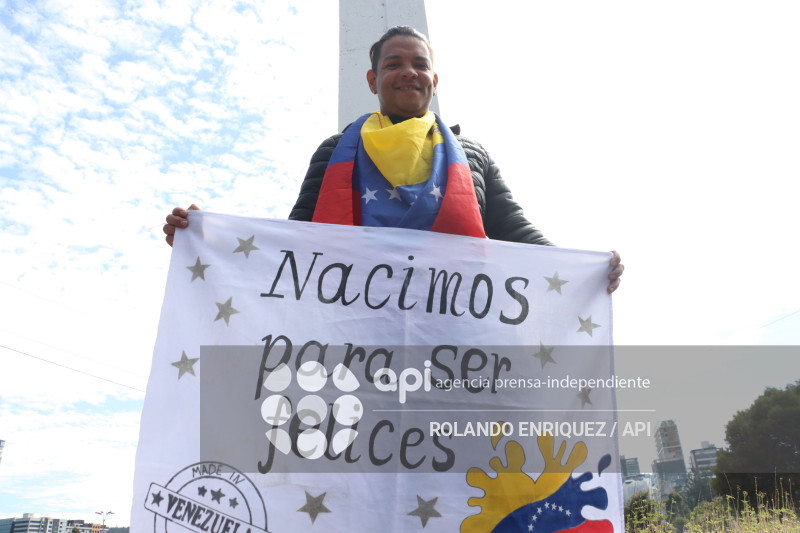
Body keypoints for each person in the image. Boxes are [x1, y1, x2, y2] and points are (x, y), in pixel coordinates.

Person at [164, 26, 623, 293]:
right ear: (372, 80)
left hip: (457, 324)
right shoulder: (334, 151)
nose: (409, 72)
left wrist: (581, 268)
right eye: (393, 64)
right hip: (355, 325)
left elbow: (513, 230)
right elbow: (295, 238)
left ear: (434, 80)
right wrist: (210, 239)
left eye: (420, 64)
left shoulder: (474, 156)